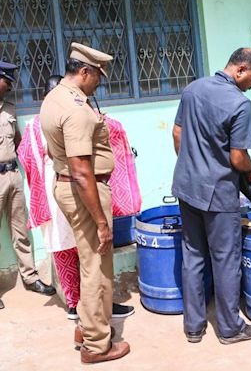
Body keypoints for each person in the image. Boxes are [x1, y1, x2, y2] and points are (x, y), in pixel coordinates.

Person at [17, 75, 136, 321]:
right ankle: (85, 309)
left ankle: (84, 306)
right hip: (72, 186)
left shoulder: (51, 118)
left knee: (79, 249)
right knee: (88, 251)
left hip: (62, 188)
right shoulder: (62, 117)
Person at [40, 43, 130, 363]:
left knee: (87, 260)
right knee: (97, 267)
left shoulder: (54, 98)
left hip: (68, 186)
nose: (98, 84)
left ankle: (84, 327)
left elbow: (56, 153)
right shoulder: (76, 108)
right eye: (97, 78)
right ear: (84, 72)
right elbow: (80, 170)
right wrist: (103, 222)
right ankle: (96, 344)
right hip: (84, 188)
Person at [172, 48, 251, 344]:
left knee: (193, 255)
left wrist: (193, 165)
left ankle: (194, 327)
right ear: (240, 70)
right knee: (225, 259)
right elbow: (238, 158)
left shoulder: (192, 89)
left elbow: (177, 134)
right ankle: (229, 328)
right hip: (218, 193)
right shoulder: (240, 104)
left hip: (187, 187)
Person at [0, 61, 56, 310]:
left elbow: (19, 142)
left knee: (20, 232)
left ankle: (30, 278)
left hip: (13, 175)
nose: (10, 86)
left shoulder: (10, 108)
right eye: (7, 81)